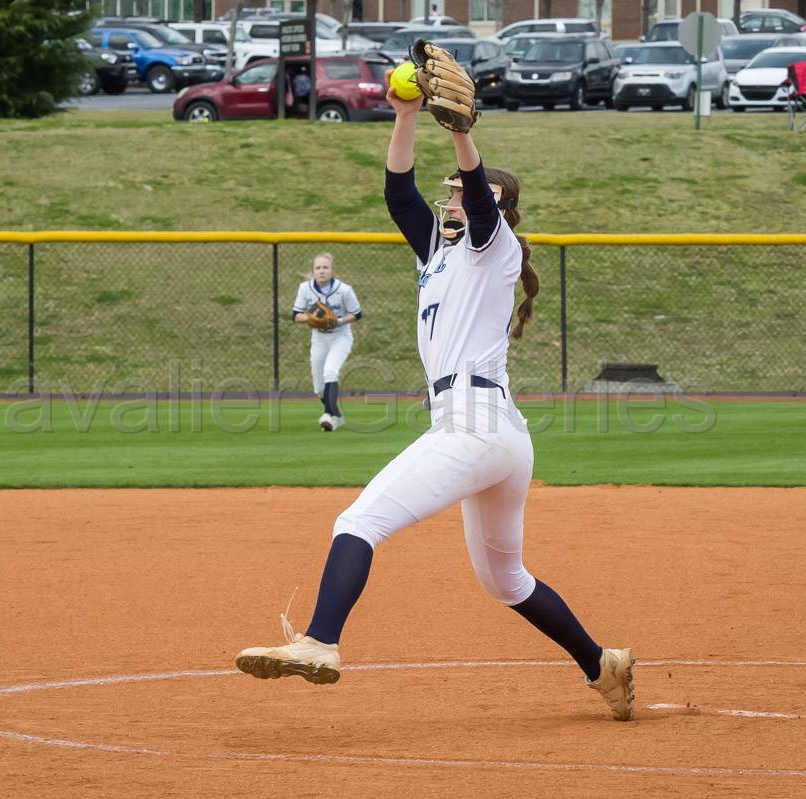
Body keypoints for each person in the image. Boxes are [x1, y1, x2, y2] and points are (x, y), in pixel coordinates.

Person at [235, 53, 636, 721]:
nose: (451, 196)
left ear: (501, 209)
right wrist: (404, 113)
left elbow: (481, 202)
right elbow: (398, 193)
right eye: (447, 190)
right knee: (505, 579)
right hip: (494, 430)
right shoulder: (438, 251)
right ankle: (604, 664)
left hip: (475, 424)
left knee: (359, 520)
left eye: (459, 190)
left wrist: (461, 132)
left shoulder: (494, 245)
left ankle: (320, 640)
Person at [291, 253, 362, 431]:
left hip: (340, 336)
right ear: (313, 271)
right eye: (318, 268)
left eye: (325, 268)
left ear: (332, 270)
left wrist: (337, 321)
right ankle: (336, 415)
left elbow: (357, 314)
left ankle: (329, 416)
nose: (322, 271)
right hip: (319, 337)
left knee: (330, 372)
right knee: (319, 388)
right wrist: (312, 318)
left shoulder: (344, 289)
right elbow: (295, 315)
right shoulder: (305, 288)